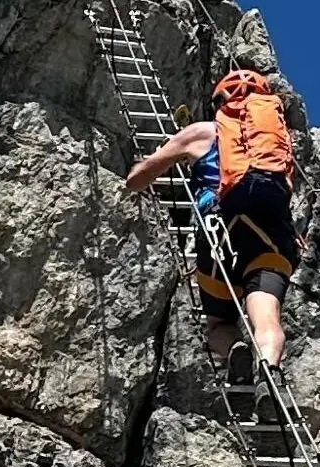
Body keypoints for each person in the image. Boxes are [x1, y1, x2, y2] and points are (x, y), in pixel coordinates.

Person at [126, 69, 302, 422]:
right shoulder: (275, 139)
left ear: (220, 102)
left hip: (220, 228)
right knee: (266, 314)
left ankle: (234, 348)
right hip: (273, 232)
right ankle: (269, 373)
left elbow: (139, 178)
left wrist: (136, 173)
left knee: (219, 320)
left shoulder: (202, 132)